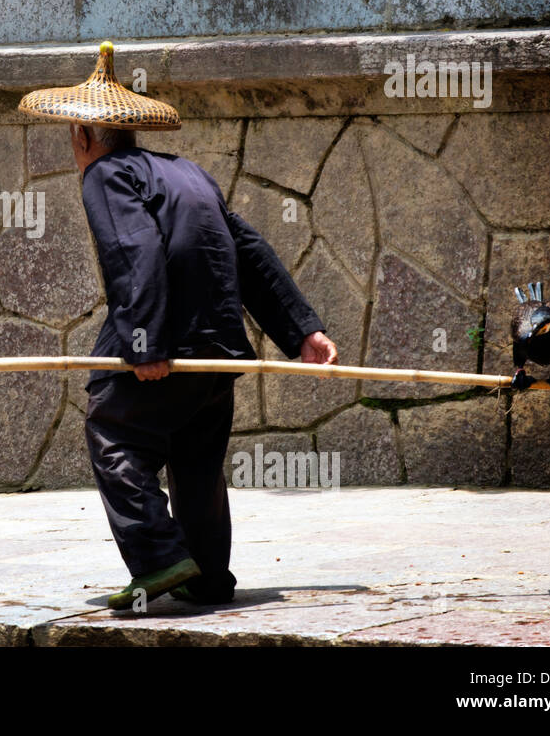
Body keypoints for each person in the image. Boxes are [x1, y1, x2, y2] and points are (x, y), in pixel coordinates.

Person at [19, 42, 338, 610]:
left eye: (73, 136)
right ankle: (207, 576)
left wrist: (145, 342)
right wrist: (301, 332)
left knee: (113, 430)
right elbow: (248, 249)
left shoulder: (105, 176)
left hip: (171, 337)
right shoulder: (189, 173)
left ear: (83, 138)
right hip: (219, 350)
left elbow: (132, 250)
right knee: (195, 460)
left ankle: (161, 559)